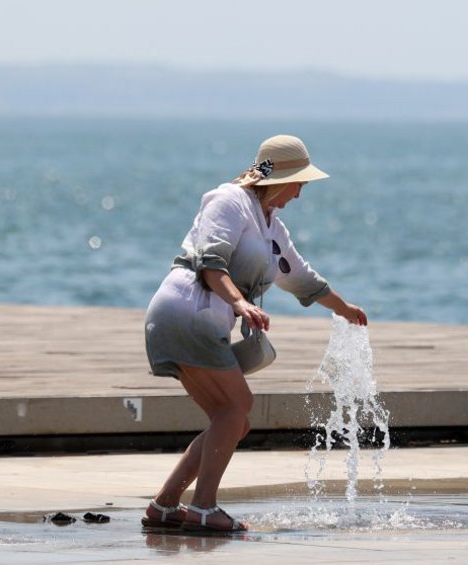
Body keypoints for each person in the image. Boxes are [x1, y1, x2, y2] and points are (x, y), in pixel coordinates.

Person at [141, 134, 367, 533]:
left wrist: (344, 308)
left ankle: (164, 505)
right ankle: (205, 509)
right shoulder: (228, 200)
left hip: (195, 319)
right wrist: (240, 303)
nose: (300, 194)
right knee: (237, 406)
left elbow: (300, 277)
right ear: (281, 178)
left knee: (231, 420)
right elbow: (211, 262)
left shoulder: (270, 225)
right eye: (300, 183)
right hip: (185, 310)